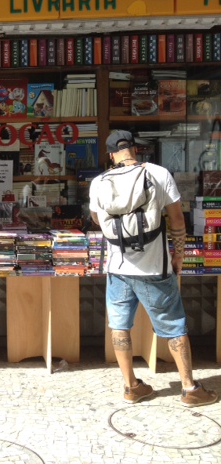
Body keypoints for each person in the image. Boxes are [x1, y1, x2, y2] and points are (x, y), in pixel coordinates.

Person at [89, 130, 218, 408]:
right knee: (173, 326)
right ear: (135, 149)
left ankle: (131, 387)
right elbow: (177, 220)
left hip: (117, 269)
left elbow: (97, 220)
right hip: (154, 269)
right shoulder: (158, 174)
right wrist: (179, 256)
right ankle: (190, 389)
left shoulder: (99, 182)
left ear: (110, 154)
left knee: (120, 326)